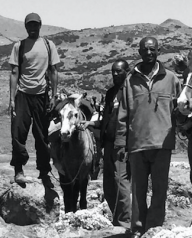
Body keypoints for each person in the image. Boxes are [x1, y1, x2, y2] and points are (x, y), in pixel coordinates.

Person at [114, 37, 181, 237]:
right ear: (139, 52)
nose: (149, 53)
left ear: (158, 51)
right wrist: (120, 142)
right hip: (137, 144)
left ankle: (154, 229)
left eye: (152, 49)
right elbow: (123, 114)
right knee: (139, 191)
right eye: (145, 49)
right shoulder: (130, 80)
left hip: (163, 143)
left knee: (160, 191)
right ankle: (137, 228)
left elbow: (181, 109)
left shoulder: (171, 79)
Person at [8, 13, 60, 187]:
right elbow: (14, 72)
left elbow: (53, 71)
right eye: (29, 25)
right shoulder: (19, 46)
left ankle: (44, 171)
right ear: (25, 26)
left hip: (42, 95)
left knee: (42, 135)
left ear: (40, 25)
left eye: (35, 25)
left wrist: (53, 95)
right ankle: (18, 170)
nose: (32, 28)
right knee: (18, 132)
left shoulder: (48, 45)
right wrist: (12, 99)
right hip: (22, 94)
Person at [78, 59, 133, 227]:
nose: (115, 74)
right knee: (108, 183)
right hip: (107, 143)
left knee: (120, 181)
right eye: (113, 71)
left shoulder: (130, 92)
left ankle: (126, 221)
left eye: (119, 71)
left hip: (122, 143)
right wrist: (90, 124)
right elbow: (105, 120)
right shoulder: (110, 93)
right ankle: (117, 218)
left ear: (127, 72)